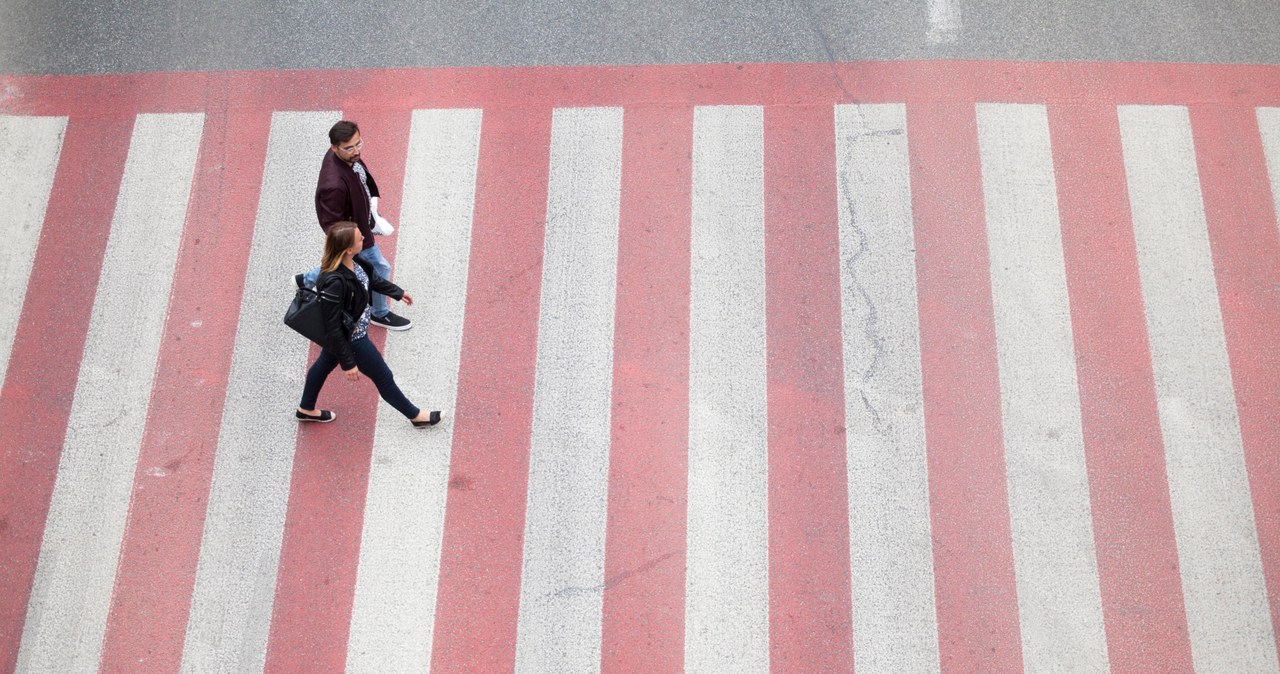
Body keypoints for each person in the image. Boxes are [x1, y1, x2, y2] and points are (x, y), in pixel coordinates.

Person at [296, 221, 441, 428]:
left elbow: (373, 280)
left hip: (349, 334)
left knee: (322, 365)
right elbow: (333, 327)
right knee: (383, 377)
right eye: (359, 238)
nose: (364, 238)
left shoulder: (357, 262)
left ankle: (306, 409)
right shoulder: (334, 282)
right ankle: (416, 416)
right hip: (353, 338)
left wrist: (398, 293)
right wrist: (348, 363)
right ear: (347, 249)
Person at [298, 120, 412, 331]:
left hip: (360, 224)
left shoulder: (343, 157)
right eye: (349, 148)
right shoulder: (333, 185)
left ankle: (307, 279)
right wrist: (353, 242)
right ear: (334, 147)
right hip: (356, 235)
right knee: (380, 267)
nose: (356, 151)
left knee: (349, 265)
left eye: (359, 144)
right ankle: (380, 313)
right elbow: (332, 224)